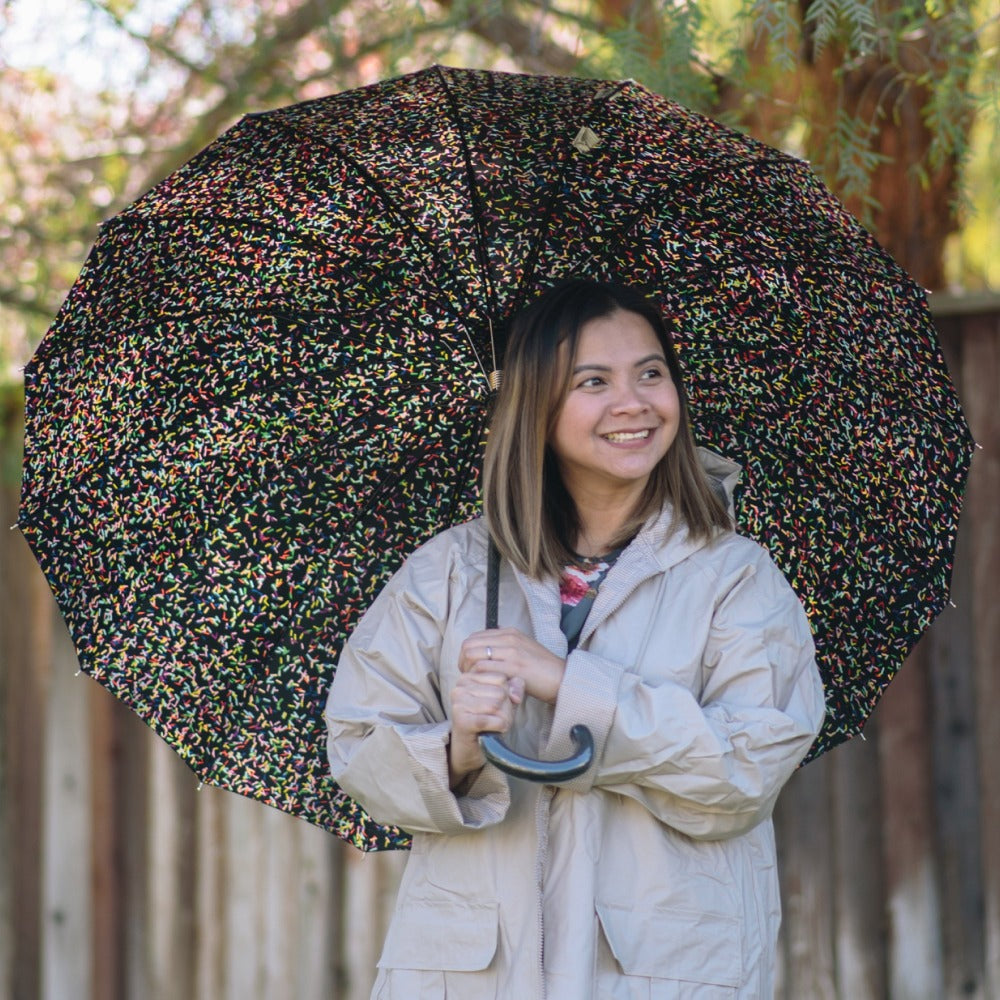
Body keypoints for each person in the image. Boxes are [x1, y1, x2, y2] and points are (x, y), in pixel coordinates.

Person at [325, 278, 826, 999]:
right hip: (472, 974)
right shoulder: (447, 573)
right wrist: (458, 748)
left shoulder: (734, 578)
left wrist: (569, 682)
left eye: (651, 373)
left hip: (657, 971)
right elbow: (359, 751)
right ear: (537, 406)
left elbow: (747, 769)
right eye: (594, 381)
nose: (634, 402)